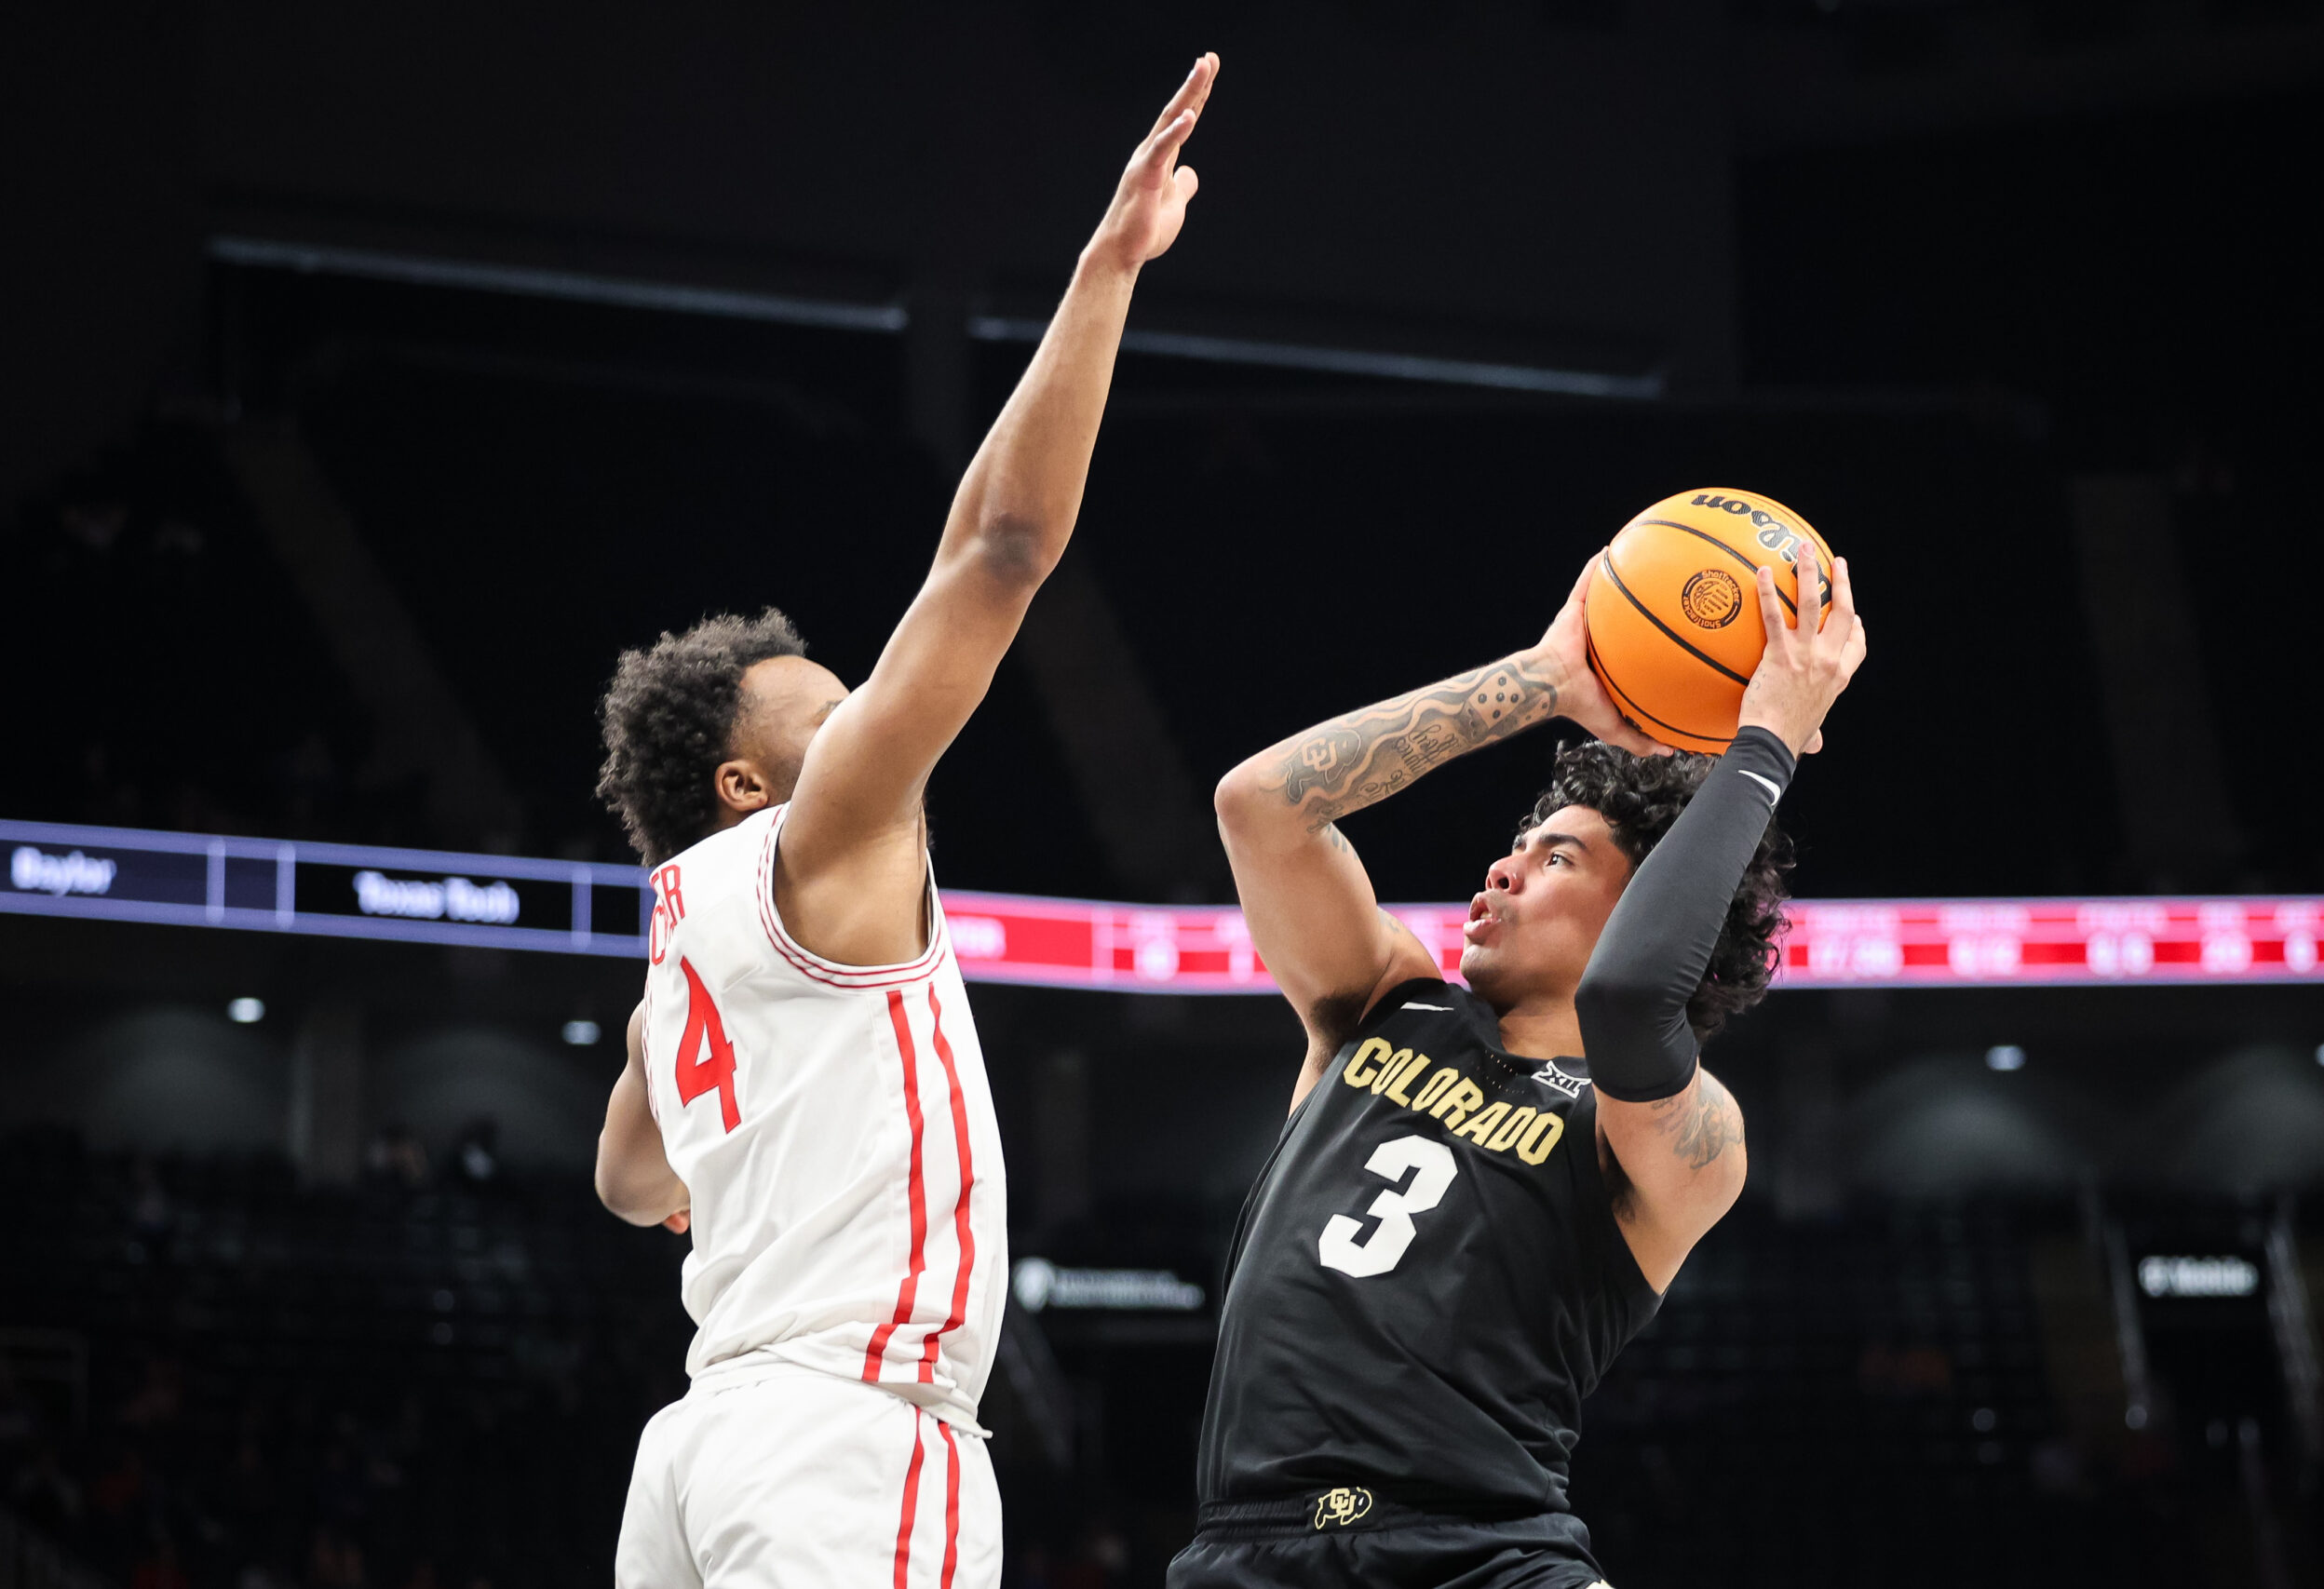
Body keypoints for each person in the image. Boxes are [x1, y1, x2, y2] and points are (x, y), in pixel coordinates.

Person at [591, 53, 1222, 1589]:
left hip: (699, 1445)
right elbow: (998, 549)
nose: (870, 718)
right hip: (846, 1434)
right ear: (747, 782)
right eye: (831, 713)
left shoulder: (676, 950)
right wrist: (1105, 271)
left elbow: (627, 1181)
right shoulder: (818, 842)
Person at [1171, 541, 1865, 1587]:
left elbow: (1628, 997)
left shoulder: (1690, 1134)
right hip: (1247, 1551)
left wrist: (1762, 742)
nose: (1503, 867)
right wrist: (1542, 681)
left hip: (1488, 1555)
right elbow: (1258, 805)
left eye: (1558, 857)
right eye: (1519, 845)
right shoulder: (1384, 1001)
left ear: (1646, 908)